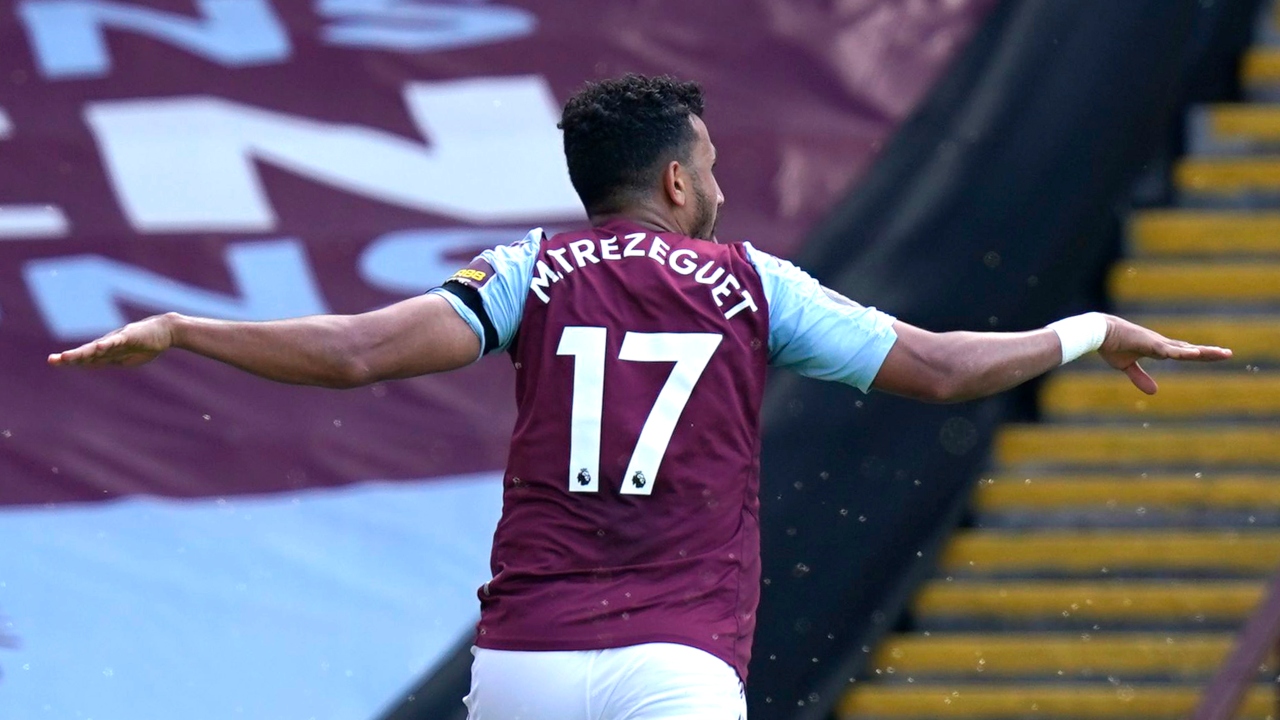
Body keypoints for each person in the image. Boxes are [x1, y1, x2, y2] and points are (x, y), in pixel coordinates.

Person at [49, 74, 1231, 719]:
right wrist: (1085, 329)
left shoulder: (523, 272)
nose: (715, 186)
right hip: (674, 660)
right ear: (673, 179)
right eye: (706, 166)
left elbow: (355, 353)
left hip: (523, 658)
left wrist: (187, 329)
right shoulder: (750, 286)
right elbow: (939, 369)